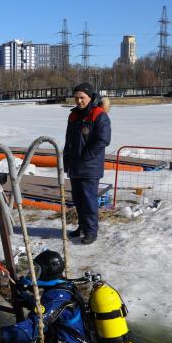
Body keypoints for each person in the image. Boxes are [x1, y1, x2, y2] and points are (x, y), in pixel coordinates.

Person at [0, 250, 95, 343]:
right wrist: (26, 298)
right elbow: (48, 310)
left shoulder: (57, 297)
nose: (33, 273)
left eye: (37, 270)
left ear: (46, 272)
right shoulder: (64, 285)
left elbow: (30, 330)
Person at [63, 82, 111, 245]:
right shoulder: (73, 115)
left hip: (90, 166)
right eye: (76, 98)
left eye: (82, 98)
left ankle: (91, 231)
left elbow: (103, 140)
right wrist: (67, 158)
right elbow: (69, 139)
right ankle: (82, 227)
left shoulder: (99, 115)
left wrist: (86, 157)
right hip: (75, 165)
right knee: (78, 199)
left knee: (88, 199)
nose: (78, 101)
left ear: (90, 97)